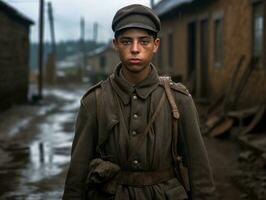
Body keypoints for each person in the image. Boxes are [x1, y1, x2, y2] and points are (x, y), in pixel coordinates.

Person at [63, 4, 215, 200]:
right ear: (115, 44)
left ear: (156, 45)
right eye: (126, 41)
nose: (135, 49)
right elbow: (77, 173)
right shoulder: (95, 101)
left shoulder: (178, 100)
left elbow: (199, 169)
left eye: (144, 41)